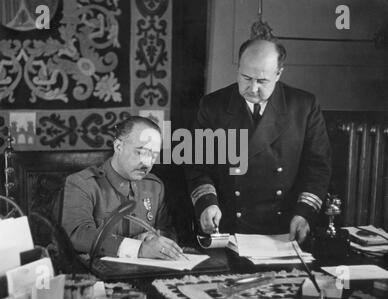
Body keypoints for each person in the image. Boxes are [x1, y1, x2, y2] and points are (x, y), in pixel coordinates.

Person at [185, 38, 332, 243]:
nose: (252, 88)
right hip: (228, 226)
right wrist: (207, 203)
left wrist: (304, 213)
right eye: (246, 77)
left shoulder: (304, 107)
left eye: (262, 81)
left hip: (285, 228)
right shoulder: (213, 106)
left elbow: (318, 169)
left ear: (279, 73)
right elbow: (198, 166)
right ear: (238, 69)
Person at [62, 116, 184, 260]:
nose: (147, 163)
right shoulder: (82, 184)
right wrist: (139, 248)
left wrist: (151, 238)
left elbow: (168, 231)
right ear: (118, 146)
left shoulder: (154, 187)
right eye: (141, 152)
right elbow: (79, 235)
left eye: (154, 155)